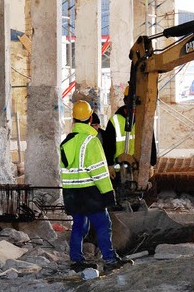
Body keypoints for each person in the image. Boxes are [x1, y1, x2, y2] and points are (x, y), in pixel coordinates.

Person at [60, 100, 132, 272]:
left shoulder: (65, 143)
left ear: (74, 119)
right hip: (90, 192)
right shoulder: (91, 141)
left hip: (72, 193)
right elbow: (99, 172)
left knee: (79, 226)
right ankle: (109, 258)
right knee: (103, 225)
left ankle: (76, 259)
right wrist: (108, 193)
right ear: (90, 117)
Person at [103, 85, 157, 186]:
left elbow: (151, 142)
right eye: (130, 101)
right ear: (125, 101)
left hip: (139, 168)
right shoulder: (115, 121)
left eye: (135, 101)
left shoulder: (144, 121)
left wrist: (151, 164)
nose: (133, 105)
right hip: (119, 171)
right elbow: (108, 146)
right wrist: (109, 165)